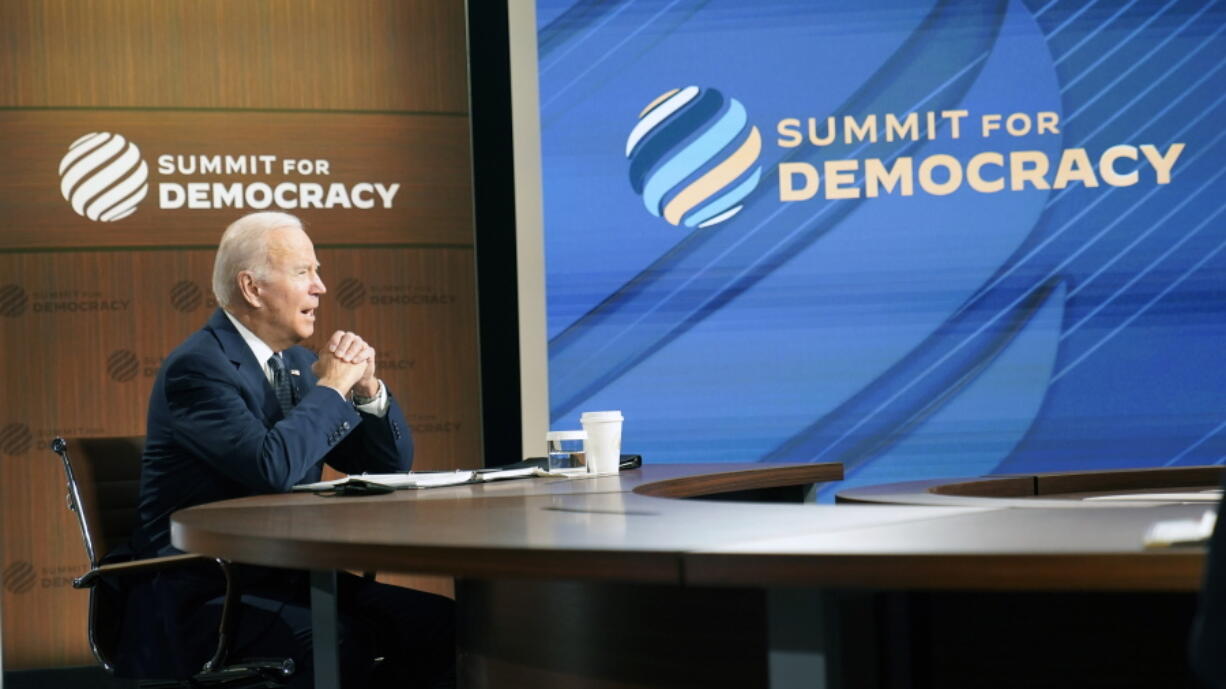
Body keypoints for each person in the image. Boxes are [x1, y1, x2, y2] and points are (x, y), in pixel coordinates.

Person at [127, 211, 454, 688]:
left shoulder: (298, 365)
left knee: (439, 623)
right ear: (252, 287)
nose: (320, 287)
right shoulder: (198, 368)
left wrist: (365, 391)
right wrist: (332, 387)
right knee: (341, 642)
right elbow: (272, 467)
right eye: (304, 272)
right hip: (210, 590)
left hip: (291, 577)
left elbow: (385, 466)